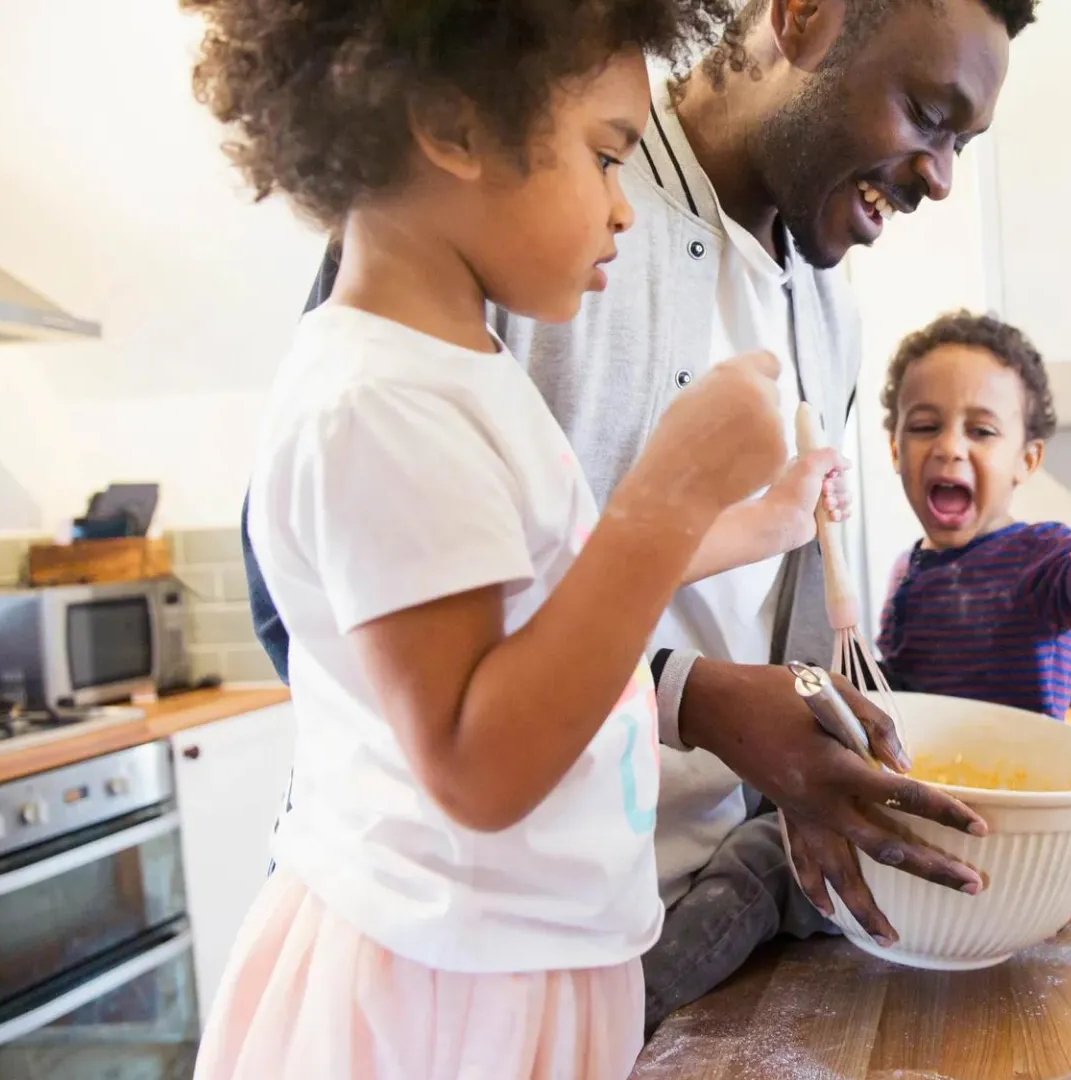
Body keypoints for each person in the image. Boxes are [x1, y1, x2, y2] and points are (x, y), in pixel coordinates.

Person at [240, 0, 1040, 1029]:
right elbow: (318, 610)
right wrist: (690, 696)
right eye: (930, 114)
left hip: (674, 929)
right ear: (800, 17)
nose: (940, 175)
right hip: (462, 959)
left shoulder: (829, 308)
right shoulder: (498, 204)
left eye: (962, 145)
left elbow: (678, 576)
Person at [180, 0, 834, 1074]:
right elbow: (478, 768)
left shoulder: (458, 371)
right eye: (608, 157)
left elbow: (549, 586)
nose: (625, 211)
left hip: (509, 960)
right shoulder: (377, 403)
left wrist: (756, 519)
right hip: (440, 995)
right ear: (455, 127)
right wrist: (665, 491)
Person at [876, 312, 1071, 720]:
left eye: (981, 431)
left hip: (1024, 781)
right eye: (925, 426)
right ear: (895, 450)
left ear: (1027, 459)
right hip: (924, 780)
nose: (949, 446)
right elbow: (907, 693)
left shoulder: (1040, 556)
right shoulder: (904, 571)